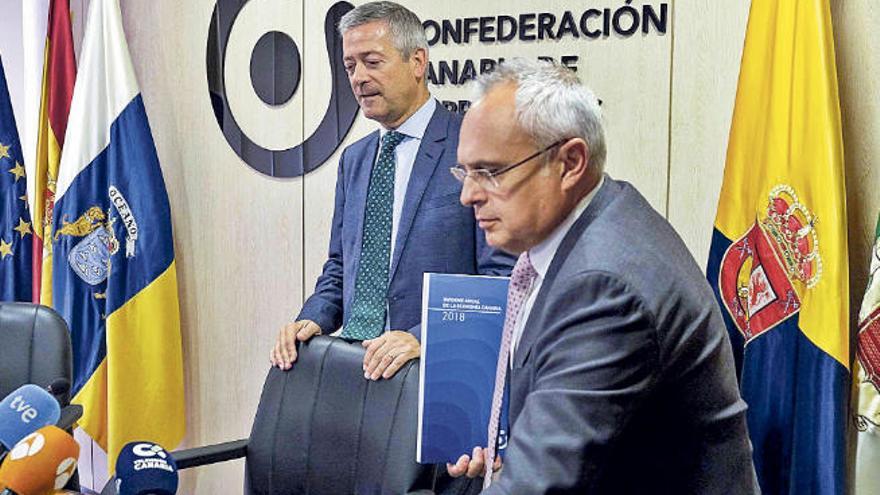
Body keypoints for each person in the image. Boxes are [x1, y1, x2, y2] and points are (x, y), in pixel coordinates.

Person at [447, 59, 758, 494]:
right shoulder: (598, 219)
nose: (468, 194)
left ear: (570, 162)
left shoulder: (604, 284)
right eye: (465, 171)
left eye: (491, 172)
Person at [269, 1, 513, 380]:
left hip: (436, 372)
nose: (359, 77)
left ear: (417, 62)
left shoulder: (473, 145)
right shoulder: (355, 159)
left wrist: (426, 338)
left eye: (372, 61)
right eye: (350, 66)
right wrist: (310, 319)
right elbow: (340, 265)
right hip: (354, 370)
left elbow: (502, 277)